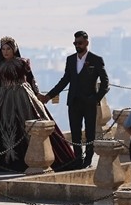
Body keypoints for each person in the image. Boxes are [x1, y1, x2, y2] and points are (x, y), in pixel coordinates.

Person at [0, 37, 78, 172]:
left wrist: (38, 94)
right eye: (3, 49)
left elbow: (31, 80)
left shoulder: (22, 63)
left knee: (34, 122)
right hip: (2, 97)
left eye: (8, 49)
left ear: (14, 50)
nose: (5, 52)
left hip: (23, 96)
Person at [41, 30, 110, 168]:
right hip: (74, 102)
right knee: (75, 132)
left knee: (90, 132)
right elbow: (65, 80)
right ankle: (78, 159)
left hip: (89, 102)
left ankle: (88, 159)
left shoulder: (96, 59)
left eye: (80, 43)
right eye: (75, 43)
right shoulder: (70, 60)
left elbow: (105, 81)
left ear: (86, 43)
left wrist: (96, 98)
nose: (77, 45)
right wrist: (48, 96)